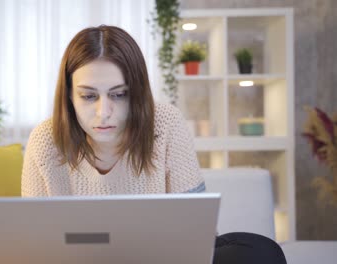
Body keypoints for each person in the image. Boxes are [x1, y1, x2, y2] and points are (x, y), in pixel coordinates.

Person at [21, 25, 286, 264]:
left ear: (136, 92)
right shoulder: (45, 140)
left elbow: (198, 232)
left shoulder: (166, 123)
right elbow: (34, 244)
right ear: (68, 94)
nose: (104, 112)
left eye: (119, 94)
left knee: (260, 251)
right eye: (89, 96)